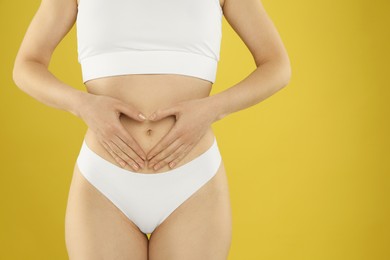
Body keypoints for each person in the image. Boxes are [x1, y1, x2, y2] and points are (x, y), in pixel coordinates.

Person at [12, 0, 291, 258]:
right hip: (104, 182)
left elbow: (277, 65)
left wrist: (212, 109)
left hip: (193, 182)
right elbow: (27, 65)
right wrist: (82, 105)